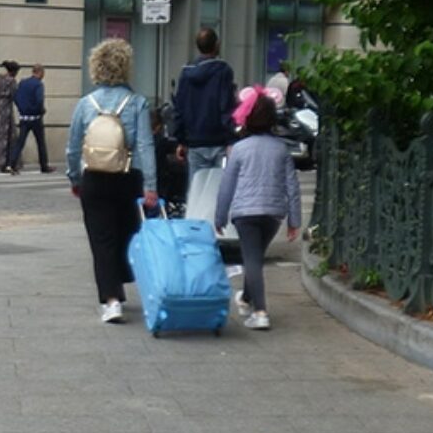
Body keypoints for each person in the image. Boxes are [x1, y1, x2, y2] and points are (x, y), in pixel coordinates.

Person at [65, 38, 158, 324]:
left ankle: (111, 300)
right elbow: (144, 146)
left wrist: (75, 177)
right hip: (127, 178)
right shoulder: (137, 103)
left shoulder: (85, 104)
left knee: (101, 239)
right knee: (125, 235)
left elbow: (72, 147)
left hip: (94, 178)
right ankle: (122, 284)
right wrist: (150, 186)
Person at [214, 87, 301, 331]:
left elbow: (227, 186)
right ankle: (246, 298)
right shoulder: (281, 149)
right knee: (255, 257)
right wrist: (294, 220)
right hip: (273, 213)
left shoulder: (239, 149)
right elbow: (292, 187)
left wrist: (219, 216)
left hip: (245, 213)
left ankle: (260, 311)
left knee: (251, 259)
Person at [171, 28, 236, 177]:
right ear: (216, 45)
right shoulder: (223, 71)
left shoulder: (186, 73)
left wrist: (180, 139)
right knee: (219, 190)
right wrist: (231, 139)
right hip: (218, 139)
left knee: (196, 189)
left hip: (194, 141)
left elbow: (179, 107)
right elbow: (226, 106)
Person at [9, 63, 54, 174]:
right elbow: (39, 100)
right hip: (36, 118)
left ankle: (11, 164)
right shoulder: (38, 85)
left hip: (24, 117)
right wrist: (41, 110)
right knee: (40, 142)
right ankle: (44, 166)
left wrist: (21, 108)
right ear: (40, 73)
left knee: (20, 142)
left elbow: (16, 97)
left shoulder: (23, 83)